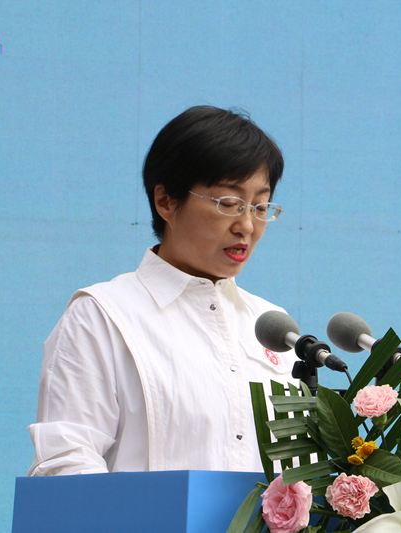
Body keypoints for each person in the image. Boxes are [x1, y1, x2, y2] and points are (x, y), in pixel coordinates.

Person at [28, 106, 296, 475]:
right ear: (166, 201)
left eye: (260, 207)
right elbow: (66, 463)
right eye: (229, 204)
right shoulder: (102, 315)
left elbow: (299, 469)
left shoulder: (272, 325)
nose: (247, 226)